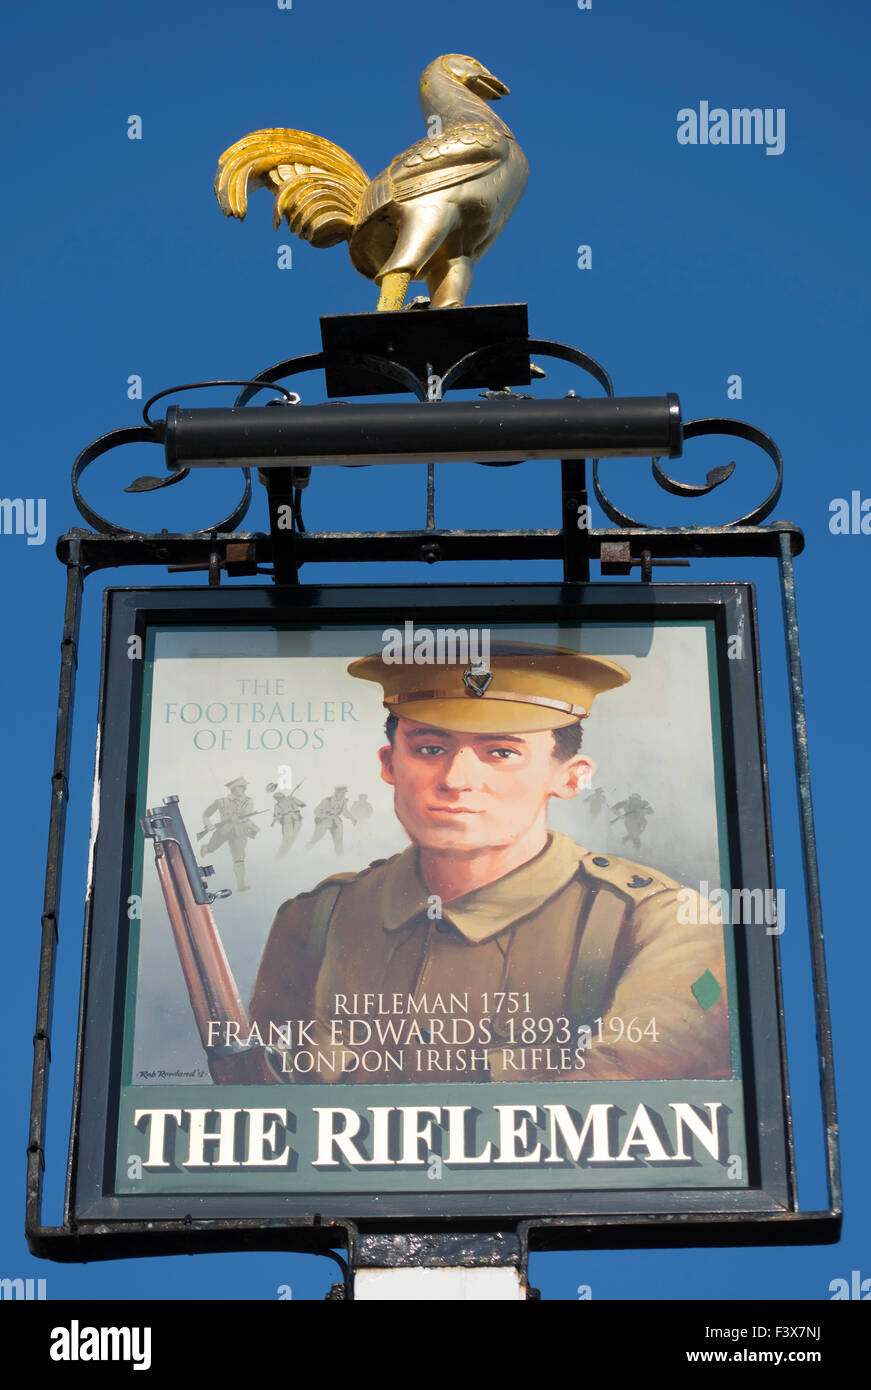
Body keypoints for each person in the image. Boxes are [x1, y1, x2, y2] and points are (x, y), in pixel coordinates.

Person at [249, 644, 730, 1084]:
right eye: (429, 749)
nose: (457, 779)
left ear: (569, 777)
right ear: (389, 765)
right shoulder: (318, 918)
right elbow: (264, 1103)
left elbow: (622, 1103)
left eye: (501, 753)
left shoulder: (660, 922)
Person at [201, 776, 259, 891]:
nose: (243, 789)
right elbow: (206, 815)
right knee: (211, 848)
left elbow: (246, 815)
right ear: (233, 788)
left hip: (239, 832)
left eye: (244, 787)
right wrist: (209, 824)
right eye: (240, 787)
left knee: (239, 859)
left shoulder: (248, 801)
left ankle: (240, 885)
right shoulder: (221, 801)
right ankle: (206, 848)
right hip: (223, 831)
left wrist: (239, 819)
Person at [308, 786, 357, 855]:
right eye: (341, 792)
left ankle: (340, 860)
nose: (343, 794)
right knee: (315, 839)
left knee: (339, 842)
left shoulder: (344, 801)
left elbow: (345, 811)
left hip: (336, 822)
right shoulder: (327, 800)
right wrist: (325, 814)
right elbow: (316, 811)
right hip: (324, 821)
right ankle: (303, 853)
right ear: (336, 792)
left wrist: (353, 818)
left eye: (344, 792)